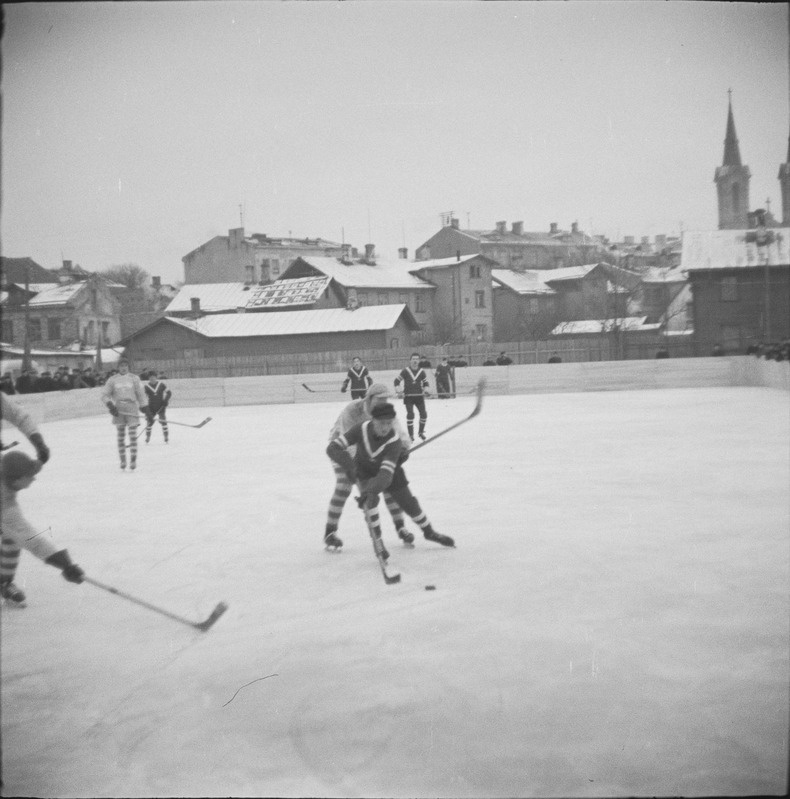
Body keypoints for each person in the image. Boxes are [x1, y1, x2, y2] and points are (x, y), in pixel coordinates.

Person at [327, 402, 454, 559]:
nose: (385, 427)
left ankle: (429, 531)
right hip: (365, 471)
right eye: (381, 423)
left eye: (389, 423)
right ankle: (378, 542)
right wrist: (350, 468)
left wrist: (370, 490)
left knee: (408, 503)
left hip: (389, 472)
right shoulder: (360, 429)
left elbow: (385, 475)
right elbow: (333, 448)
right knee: (370, 504)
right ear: (373, 420)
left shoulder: (394, 441)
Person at [323, 383, 414, 550]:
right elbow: (347, 441)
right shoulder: (353, 410)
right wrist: (358, 472)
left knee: (388, 484)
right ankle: (330, 532)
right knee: (344, 486)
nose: (383, 402)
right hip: (341, 450)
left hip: (370, 452)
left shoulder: (385, 412)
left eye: (385, 399)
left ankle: (401, 527)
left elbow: (399, 433)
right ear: (369, 398)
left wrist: (403, 448)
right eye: (379, 399)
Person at [1, 450, 85, 607]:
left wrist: (40, 455)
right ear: (17, 479)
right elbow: (30, 539)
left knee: (11, 537)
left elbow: (27, 468)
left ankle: (5, 583)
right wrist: (64, 564)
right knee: (13, 533)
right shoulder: (5, 506)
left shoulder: (7, 470)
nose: (34, 478)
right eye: (29, 475)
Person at [101, 358, 148, 470]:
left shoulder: (134, 378)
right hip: (119, 409)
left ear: (128, 367)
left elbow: (141, 395)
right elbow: (104, 395)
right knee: (121, 436)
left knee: (132, 435)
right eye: (121, 365)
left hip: (131, 407)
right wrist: (110, 405)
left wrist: (146, 409)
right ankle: (123, 460)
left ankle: (133, 460)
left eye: (125, 365)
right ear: (118, 367)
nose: (123, 367)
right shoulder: (112, 380)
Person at [394, 352, 430, 442]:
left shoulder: (421, 372)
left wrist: (426, 390)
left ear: (419, 361)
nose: (415, 361)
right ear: (410, 361)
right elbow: (396, 381)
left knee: (424, 414)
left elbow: (426, 383)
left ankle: (421, 432)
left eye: (417, 359)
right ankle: (411, 435)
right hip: (408, 397)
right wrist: (400, 391)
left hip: (419, 397)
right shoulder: (405, 371)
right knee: (410, 415)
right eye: (413, 359)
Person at [144, 372, 172, 443]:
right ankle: (148, 437)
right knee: (149, 422)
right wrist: (145, 408)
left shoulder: (161, 385)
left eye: (153, 377)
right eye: (150, 377)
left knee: (163, 421)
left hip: (161, 407)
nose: (152, 378)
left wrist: (165, 400)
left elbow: (169, 393)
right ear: (148, 378)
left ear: (156, 377)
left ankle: (166, 437)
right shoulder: (146, 387)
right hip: (151, 407)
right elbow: (143, 397)